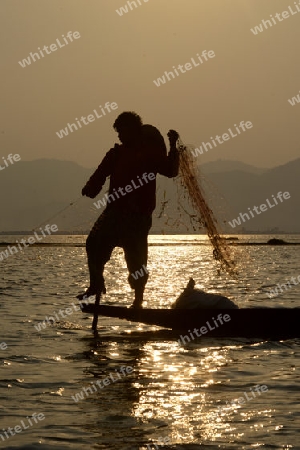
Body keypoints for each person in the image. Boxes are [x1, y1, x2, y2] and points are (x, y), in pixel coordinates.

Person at [77, 111, 180, 308]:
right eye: (118, 132)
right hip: (113, 212)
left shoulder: (149, 154)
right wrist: (90, 188)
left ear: (134, 130)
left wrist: (173, 145)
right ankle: (96, 285)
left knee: (136, 259)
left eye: (122, 131)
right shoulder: (115, 154)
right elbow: (99, 175)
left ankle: (138, 300)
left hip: (138, 216)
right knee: (94, 244)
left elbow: (170, 171)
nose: (120, 136)